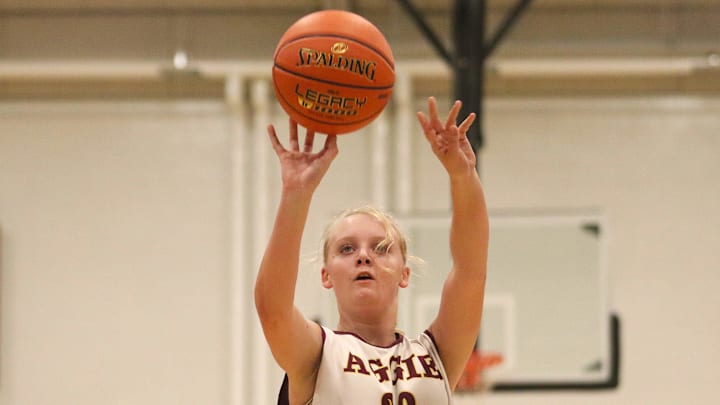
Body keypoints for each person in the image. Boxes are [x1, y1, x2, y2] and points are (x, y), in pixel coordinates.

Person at [255, 97, 489, 405]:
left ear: (404, 273)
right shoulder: (317, 354)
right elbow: (273, 309)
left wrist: (463, 177)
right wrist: (295, 194)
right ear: (326, 275)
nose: (363, 256)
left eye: (380, 248)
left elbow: (471, 270)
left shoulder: (437, 353)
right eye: (347, 248)